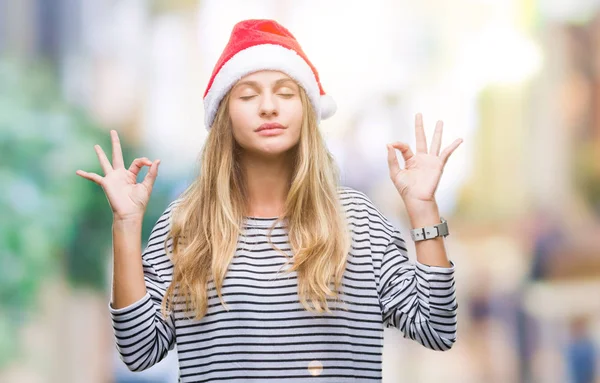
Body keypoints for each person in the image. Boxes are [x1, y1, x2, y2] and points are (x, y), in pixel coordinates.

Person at [76, 19, 462, 383]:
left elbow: (435, 327)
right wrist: (126, 225)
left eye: (285, 92)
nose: (268, 107)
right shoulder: (187, 223)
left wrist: (423, 207)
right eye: (247, 95)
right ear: (224, 115)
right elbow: (139, 351)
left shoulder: (358, 220)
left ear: (307, 111)